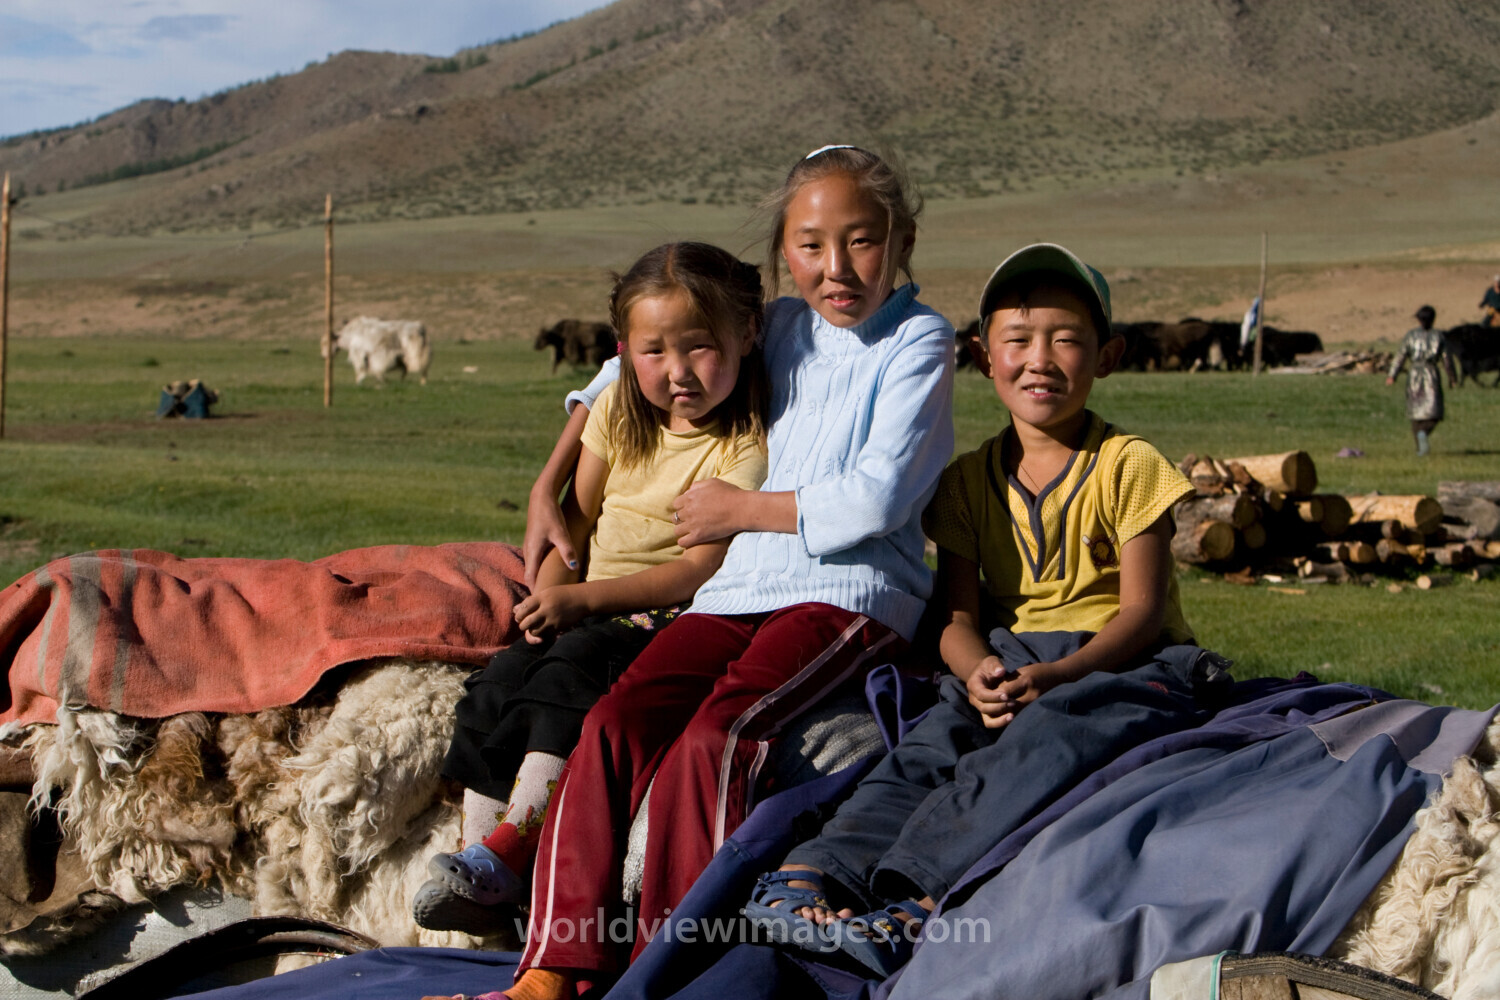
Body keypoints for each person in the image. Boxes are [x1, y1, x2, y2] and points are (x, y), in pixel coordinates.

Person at [502, 145, 955, 1000]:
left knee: (720, 737)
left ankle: (667, 973)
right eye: (810, 245)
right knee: (616, 720)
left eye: (861, 241)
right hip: (739, 587)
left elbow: (879, 496)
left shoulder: (917, 341)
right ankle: (555, 966)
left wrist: (741, 509)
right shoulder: (779, 325)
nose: (836, 267)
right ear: (784, 251)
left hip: (848, 594)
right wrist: (547, 479)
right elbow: (630, 360)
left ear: (902, 241)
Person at [743, 243, 1232, 977]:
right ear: (981, 356)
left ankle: (916, 900)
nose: (1041, 361)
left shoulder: (1130, 464)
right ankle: (811, 874)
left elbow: (1142, 610)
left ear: (1108, 356)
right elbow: (959, 618)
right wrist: (975, 673)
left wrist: (1061, 675)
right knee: (929, 747)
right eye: (1018, 340)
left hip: (1125, 663)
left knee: (1044, 746)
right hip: (1012, 660)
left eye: (1067, 340)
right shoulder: (968, 482)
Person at [410, 242, 770, 934]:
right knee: (499, 683)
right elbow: (575, 523)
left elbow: (698, 570)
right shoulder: (617, 414)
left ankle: (512, 850)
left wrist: (578, 603)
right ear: (625, 349)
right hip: (585, 605)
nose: (678, 371)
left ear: (746, 335)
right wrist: (546, 600)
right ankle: (475, 857)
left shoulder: (741, 447)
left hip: (660, 615)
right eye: (654, 351)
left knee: (567, 678)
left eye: (699, 347)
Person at [1385, 305, 1457, 457]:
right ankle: (1423, 438)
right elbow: (1447, 359)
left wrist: (1392, 375)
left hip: (1414, 375)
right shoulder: (1439, 336)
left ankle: (1421, 443)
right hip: (1431, 374)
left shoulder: (1411, 335)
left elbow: (1401, 356)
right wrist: (1452, 377)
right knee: (1434, 411)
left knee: (1416, 411)